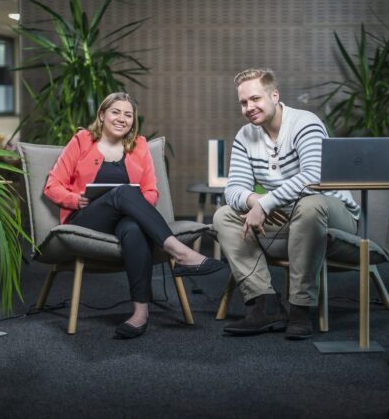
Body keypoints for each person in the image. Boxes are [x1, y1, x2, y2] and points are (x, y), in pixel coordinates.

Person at [44, 92, 224, 339]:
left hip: (123, 221)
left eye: (128, 114)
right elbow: (52, 185)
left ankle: (140, 313)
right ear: (102, 115)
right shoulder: (82, 141)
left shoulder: (139, 146)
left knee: (134, 227)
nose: (122, 118)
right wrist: (75, 199)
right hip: (86, 220)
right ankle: (180, 251)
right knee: (122, 193)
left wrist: (134, 202)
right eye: (115, 112)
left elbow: (151, 191)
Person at [213, 68, 360, 339]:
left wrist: (266, 203)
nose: (249, 107)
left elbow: (313, 177)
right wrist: (255, 200)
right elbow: (233, 189)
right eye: (243, 102)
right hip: (286, 217)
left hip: (332, 213)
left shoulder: (305, 123)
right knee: (224, 215)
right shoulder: (246, 136)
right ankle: (264, 304)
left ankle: (300, 308)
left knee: (310, 204)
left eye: (255, 99)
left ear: (274, 95)